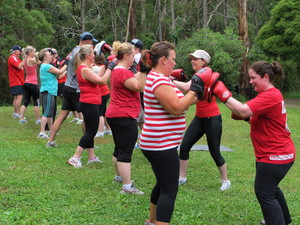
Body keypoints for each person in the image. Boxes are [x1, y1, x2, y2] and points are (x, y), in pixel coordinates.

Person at [213, 61, 296, 225]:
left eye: (253, 78)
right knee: (271, 189)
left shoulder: (270, 95)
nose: (250, 81)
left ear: (265, 77)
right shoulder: (270, 95)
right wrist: (243, 115)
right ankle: (284, 220)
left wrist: (221, 92)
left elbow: (243, 110)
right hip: (276, 153)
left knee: (264, 193)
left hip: (275, 155)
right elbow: (253, 117)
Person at [139, 41, 206, 225]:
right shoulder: (159, 80)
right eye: (173, 59)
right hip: (160, 144)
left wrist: (195, 95)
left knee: (162, 183)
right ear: (163, 59)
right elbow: (176, 108)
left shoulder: (160, 78)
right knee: (169, 188)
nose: (175, 63)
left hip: (158, 142)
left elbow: (180, 101)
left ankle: (152, 221)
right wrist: (194, 92)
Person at [173, 49, 231, 191]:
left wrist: (169, 79)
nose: (192, 61)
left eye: (196, 59)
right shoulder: (199, 75)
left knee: (215, 152)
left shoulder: (205, 74)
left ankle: (226, 181)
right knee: (185, 146)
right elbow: (197, 98)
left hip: (213, 119)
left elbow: (187, 88)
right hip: (199, 118)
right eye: (192, 58)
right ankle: (182, 177)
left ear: (204, 61)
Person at [105, 41, 146, 194]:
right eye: (133, 57)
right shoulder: (123, 72)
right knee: (125, 152)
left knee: (119, 148)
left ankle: (119, 177)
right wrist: (145, 70)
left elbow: (132, 80)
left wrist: (140, 72)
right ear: (127, 56)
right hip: (124, 116)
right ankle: (127, 187)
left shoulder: (118, 70)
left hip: (116, 115)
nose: (134, 60)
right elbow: (139, 86)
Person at [46, 32, 98, 147]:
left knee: (63, 115)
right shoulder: (80, 53)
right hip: (75, 89)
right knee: (85, 116)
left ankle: (51, 141)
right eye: (91, 43)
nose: (92, 46)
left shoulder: (74, 50)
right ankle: (88, 143)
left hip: (67, 86)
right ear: (86, 42)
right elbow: (80, 69)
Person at [67, 45, 113, 168]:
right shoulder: (85, 69)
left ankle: (91, 157)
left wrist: (106, 65)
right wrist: (111, 68)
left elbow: (98, 77)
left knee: (90, 131)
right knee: (91, 132)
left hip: (89, 102)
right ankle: (75, 157)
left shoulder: (85, 68)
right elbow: (102, 81)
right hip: (89, 103)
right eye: (93, 54)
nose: (94, 56)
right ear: (88, 56)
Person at [37, 48, 67, 139]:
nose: (51, 56)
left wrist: (66, 69)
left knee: (50, 113)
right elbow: (60, 71)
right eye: (49, 55)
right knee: (46, 112)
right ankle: (42, 132)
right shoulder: (47, 66)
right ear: (45, 57)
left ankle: (51, 130)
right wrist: (67, 64)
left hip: (50, 91)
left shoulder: (47, 66)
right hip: (48, 91)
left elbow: (59, 76)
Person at [19, 46, 41, 124]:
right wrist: (37, 55)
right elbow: (39, 62)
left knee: (26, 101)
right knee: (36, 101)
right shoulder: (31, 59)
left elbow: (19, 66)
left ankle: (21, 118)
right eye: (33, 52)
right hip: (33, 83)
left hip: (27, 82)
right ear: (30, 52)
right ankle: (38, 119)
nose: (34, 53)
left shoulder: (25, 60)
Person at [92, 53, 112, 138]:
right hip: (105, 92)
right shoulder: (104, 67)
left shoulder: (95, 68)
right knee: (104, 112)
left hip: (101, 92)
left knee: (99, 113)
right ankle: (108, 129)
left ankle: (100, 131)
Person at [130, 39, 145, 147]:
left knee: (139, 118)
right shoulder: (135, 58)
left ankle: (146, 140)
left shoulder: (138, 57)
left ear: (137, 49)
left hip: (140, 91)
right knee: (139, 119)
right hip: (137, 90)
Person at [8, 45, 25, 119]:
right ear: (15, 51)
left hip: (18, 80)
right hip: (16, 80)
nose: (20, 53)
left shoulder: (16, 59)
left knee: (16, 97)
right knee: (19, 96)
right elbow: (19, 66)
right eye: (19, 51)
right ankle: (17, 113)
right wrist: (25, 59)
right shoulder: (12, 58)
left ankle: (15, 113)